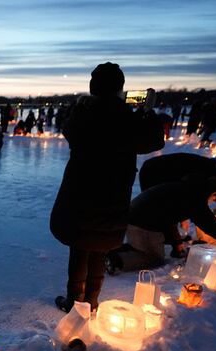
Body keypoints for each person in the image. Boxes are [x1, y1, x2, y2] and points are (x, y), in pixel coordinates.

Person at [50, 63, 164, 313]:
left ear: (93, 87)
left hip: (81, 191)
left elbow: (69, 130)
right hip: (113, 192)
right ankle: (91, 301)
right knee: (100, 246)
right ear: (120, 88)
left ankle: (74, 302)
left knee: (80, 246)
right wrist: (147, 113)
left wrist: (79, 107)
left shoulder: (85, 114)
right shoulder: (127, 118)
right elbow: (153, 141)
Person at [107, 177, 216, 273]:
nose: (211, 202)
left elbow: (169, 217)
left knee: (142, 246)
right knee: (154, 258)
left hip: (137, 215)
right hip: (143, 222)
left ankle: (109, 250)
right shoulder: (195, 197)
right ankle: (115, 260)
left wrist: (177, 243)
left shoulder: (189, 187)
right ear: (214, 193)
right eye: (213, 200)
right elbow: (208, 223)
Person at [139, 153, 216, 191]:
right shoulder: (203, 174)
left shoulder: (214, 167)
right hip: (155, 171)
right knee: (155, 200)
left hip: (155, 166)